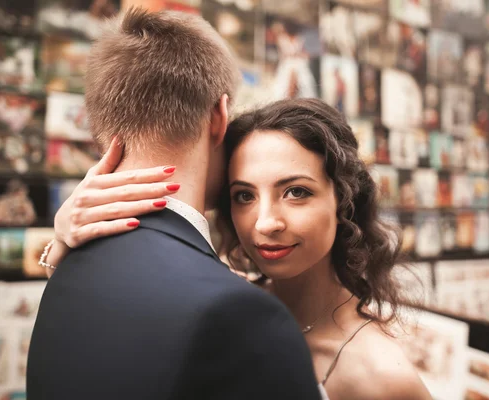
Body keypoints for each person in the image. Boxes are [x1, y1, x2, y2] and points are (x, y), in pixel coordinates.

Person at [45, 98, 433, 400]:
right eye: (244, 195)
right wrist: (64, 242)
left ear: (343, 200)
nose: (265, 223)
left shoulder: (382, 375)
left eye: (296, 192)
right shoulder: (228, 309)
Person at [27, 8, 321, 400]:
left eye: (296, 192)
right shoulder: (237, 311)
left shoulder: (64, 269)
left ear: (99, 129)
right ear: (219, 117)